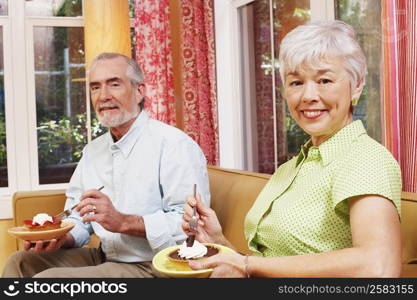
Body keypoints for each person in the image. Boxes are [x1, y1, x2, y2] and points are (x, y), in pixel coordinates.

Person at [182, 20, 402, 277]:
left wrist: (246, 265)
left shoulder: (365, 159)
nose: (308, 95)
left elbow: (379, 266)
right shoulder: (290, 168)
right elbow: (268, 266)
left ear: (357, 86)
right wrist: (219, 242)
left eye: (324, 80)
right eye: (296, 82)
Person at [3, 52, 210, 278]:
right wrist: (61, 237)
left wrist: (123, 222)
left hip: (156, 265)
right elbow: (77, 217)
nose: (103, 96)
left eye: (114, 84)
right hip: (105, 257)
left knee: (49, 281)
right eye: (95, 87)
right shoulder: (93, 151)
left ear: (140, 91)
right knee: (21, 262)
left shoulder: (175, 145)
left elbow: (191, 225)